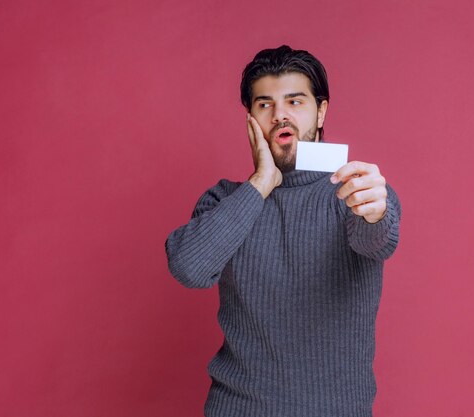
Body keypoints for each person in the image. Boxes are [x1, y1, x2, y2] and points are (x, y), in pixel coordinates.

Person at [165, 45, 401, 417]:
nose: (280, 116)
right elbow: (189, 269)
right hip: (236, 408)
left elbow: (375, 240)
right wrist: (261, 183)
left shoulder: (358, 190)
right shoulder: (226, 200)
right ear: (250, 119)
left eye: (295, 101)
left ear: (321, 111)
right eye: (265, 105)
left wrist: (376, 212)